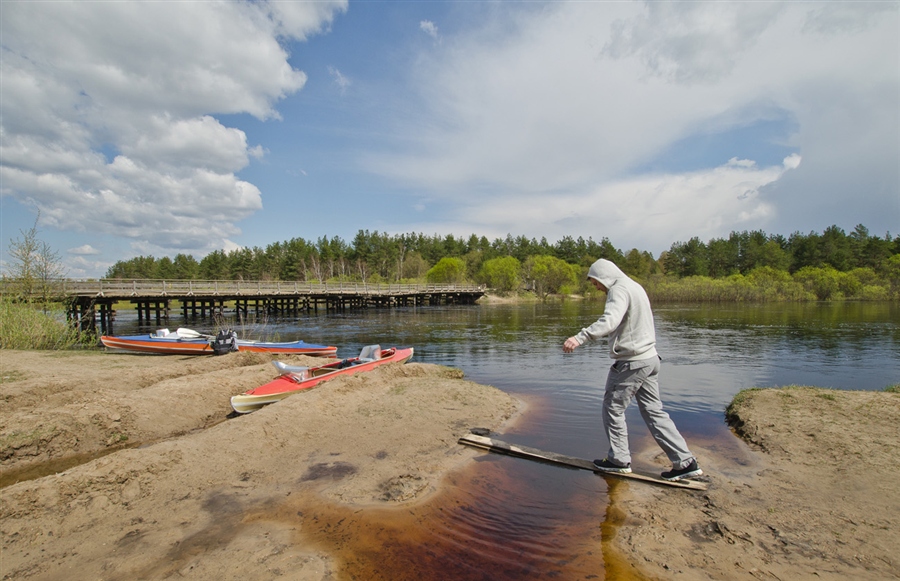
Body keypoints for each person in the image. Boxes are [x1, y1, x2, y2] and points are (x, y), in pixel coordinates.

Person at [563, 258, 702, 481]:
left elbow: (610, 320)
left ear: (604, 276)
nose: (596, 287)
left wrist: (580, 337)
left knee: (612, 408)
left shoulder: (618, 290)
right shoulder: (635, 286)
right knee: (654, 412)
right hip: (650, 359)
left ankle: (618, 460)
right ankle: (685, 462)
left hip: (632, 362)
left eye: (595, 282)